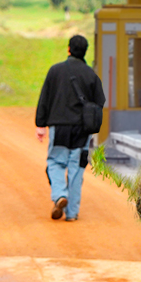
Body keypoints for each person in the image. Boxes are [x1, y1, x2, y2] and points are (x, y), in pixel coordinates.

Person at [33, 34, 105, 221]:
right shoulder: (91, 75)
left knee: (55, 162)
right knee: (76, 168)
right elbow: (100, 102)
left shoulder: (55, 71)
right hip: (82, 129)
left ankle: (59, 195)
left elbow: (45, 99)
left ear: (68, 49)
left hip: (60, 127)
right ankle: (72, 213)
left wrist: (40, 124)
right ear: (85, 52)